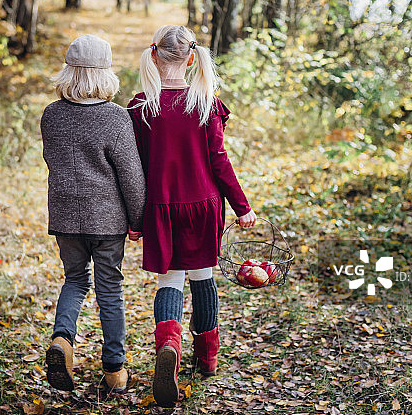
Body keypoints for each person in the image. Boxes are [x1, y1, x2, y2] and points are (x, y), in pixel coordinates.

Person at [128, 25, 256, 407]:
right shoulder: (205, 102)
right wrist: (243, 207)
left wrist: (135, 219)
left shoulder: (140, 106)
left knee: (170, 279)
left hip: (161, 208)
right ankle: (207, 356)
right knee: (202, 279)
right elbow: (219, 162)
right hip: (202, 206)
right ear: (190, 58)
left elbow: (135, 169)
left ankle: (169, 346)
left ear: (154, 56)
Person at [41, 34, 146, 394]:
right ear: (106, 74)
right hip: (108, 220)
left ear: (68, 72)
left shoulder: (51, 115)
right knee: (109, 290)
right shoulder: (116, 118)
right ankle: (115, 370)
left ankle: (63, 341)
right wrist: (138, 221)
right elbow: (131, 175)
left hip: (66, 217)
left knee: (74, 280)